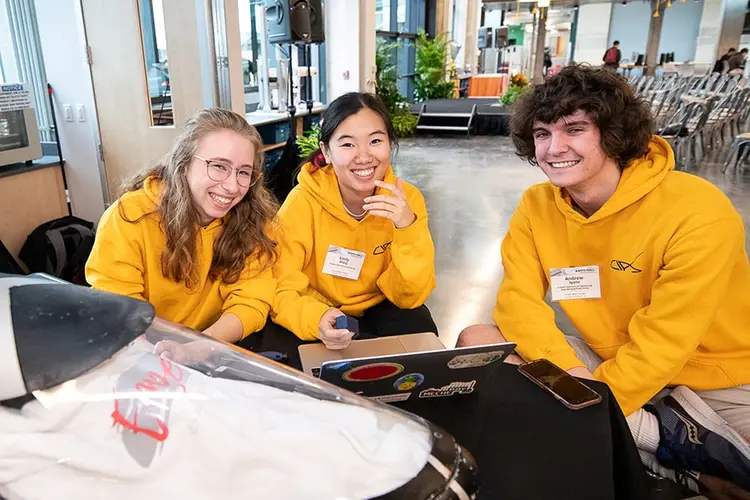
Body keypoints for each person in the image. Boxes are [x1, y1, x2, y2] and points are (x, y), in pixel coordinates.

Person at [457, 65, 750, 497]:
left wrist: (585, 398)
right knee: (476, 341)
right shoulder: (537, 206)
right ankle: (668, 452)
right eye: (542, 134)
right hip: (603, 364)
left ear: (612, 133)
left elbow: (668, 339)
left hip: (715, 379)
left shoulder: (697, 209)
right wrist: (575, 379)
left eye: (574, 129)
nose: (555, 148)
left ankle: (650, 447)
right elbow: (518, 302)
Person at [240, 92, 437, 369]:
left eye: (375, 141)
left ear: (389, 145)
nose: (364, 156)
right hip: (317, 305)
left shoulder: (407, 200)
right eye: (347, 144)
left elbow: (410, 296)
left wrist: (407, 227)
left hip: (380, 304)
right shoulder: (302, 202)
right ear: (327, 152)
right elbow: (281, 285)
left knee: (420, 337)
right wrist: (314, 319)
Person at [86, 108, 278, 347]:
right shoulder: (128, 217)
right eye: (219, 166)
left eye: (243, 172)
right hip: (143, 350)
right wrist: (166, 358)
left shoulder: (253, 219)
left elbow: (252, 300)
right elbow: (119, 310)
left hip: (214, 346)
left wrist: (202, 347)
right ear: (183, 162)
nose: (232, 186)